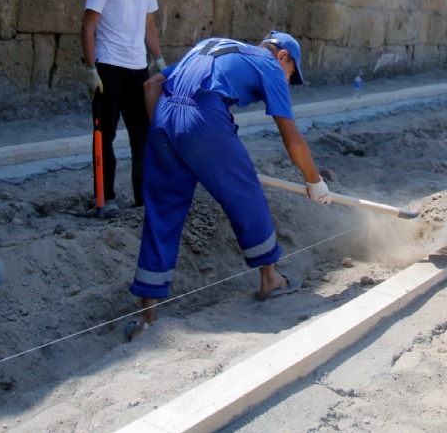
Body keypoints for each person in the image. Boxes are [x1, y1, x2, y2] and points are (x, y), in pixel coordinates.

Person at [125, 31, 331, 341]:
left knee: (161, 216)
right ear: (282, 56)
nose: (288, 81)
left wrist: (169, 138)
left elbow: (151, 84)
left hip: (164, 120)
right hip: (204, 118)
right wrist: (314, 181)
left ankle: (147, 320)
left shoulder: (212, 44)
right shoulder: (271, 66)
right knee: (246, 196)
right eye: (292, 74)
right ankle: (271, 280)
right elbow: (290, 135)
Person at [81, 0, 166, 217]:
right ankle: (105, 198)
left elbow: (149, 25)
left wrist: (160, 61)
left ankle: (143, 199)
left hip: (138, 68)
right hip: (108, 66)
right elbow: (88, 26)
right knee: (104, 134)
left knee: (142, 134)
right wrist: (91, 69)